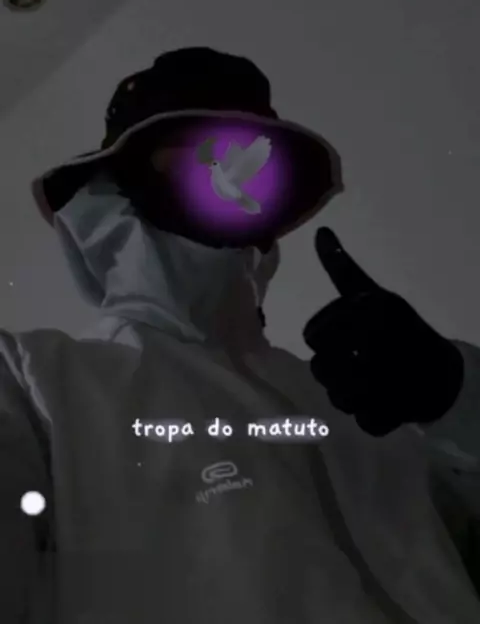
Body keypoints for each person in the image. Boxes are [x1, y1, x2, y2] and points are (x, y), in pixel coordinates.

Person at [0, 46, 479, 624]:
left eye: (255, 160)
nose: (231, 177)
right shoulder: (35, 388)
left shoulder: (367, 408)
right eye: (202, 152)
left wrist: (455, 399)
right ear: (121, 182)